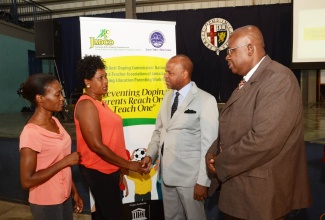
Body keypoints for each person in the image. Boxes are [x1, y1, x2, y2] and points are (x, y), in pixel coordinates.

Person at [206, 25, 312, 220]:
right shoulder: (248, 81)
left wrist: (220, 162)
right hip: (239, 195)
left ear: (250, 48)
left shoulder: (278, 79)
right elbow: (232, 127)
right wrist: (212, 152)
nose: (226, 56)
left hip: (259, 200)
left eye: (231, 51)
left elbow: (264, 140)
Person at [141, 54, 219, 220]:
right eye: (165, 72)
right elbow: (159, 131)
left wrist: (203, 182)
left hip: (191, 181)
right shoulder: (167, 97)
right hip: (167, 178)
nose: (165, 76)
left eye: (170, 73)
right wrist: (150, 154)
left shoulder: (206, 100)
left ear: (184, 74)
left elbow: (209, 146)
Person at [74, 55, 142, 219]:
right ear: (87, 82)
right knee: (112, 214)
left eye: (106, 76)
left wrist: (119, 167)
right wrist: (129, 164)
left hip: (109, 167)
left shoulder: (100, 103)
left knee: (104, 214)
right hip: (98, 169)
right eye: (100, 78)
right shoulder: (86, 105)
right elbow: (96, 145)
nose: (105, 81)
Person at [19, 73, 84, 220]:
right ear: (40, 98)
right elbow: (26, 181)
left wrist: (74, 192)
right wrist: (65, 162)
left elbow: (62, 160)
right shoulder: (31, 133)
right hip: (46, 202)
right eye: (57, 94)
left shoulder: (55, 121)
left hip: (64, 196)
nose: (62, 98)